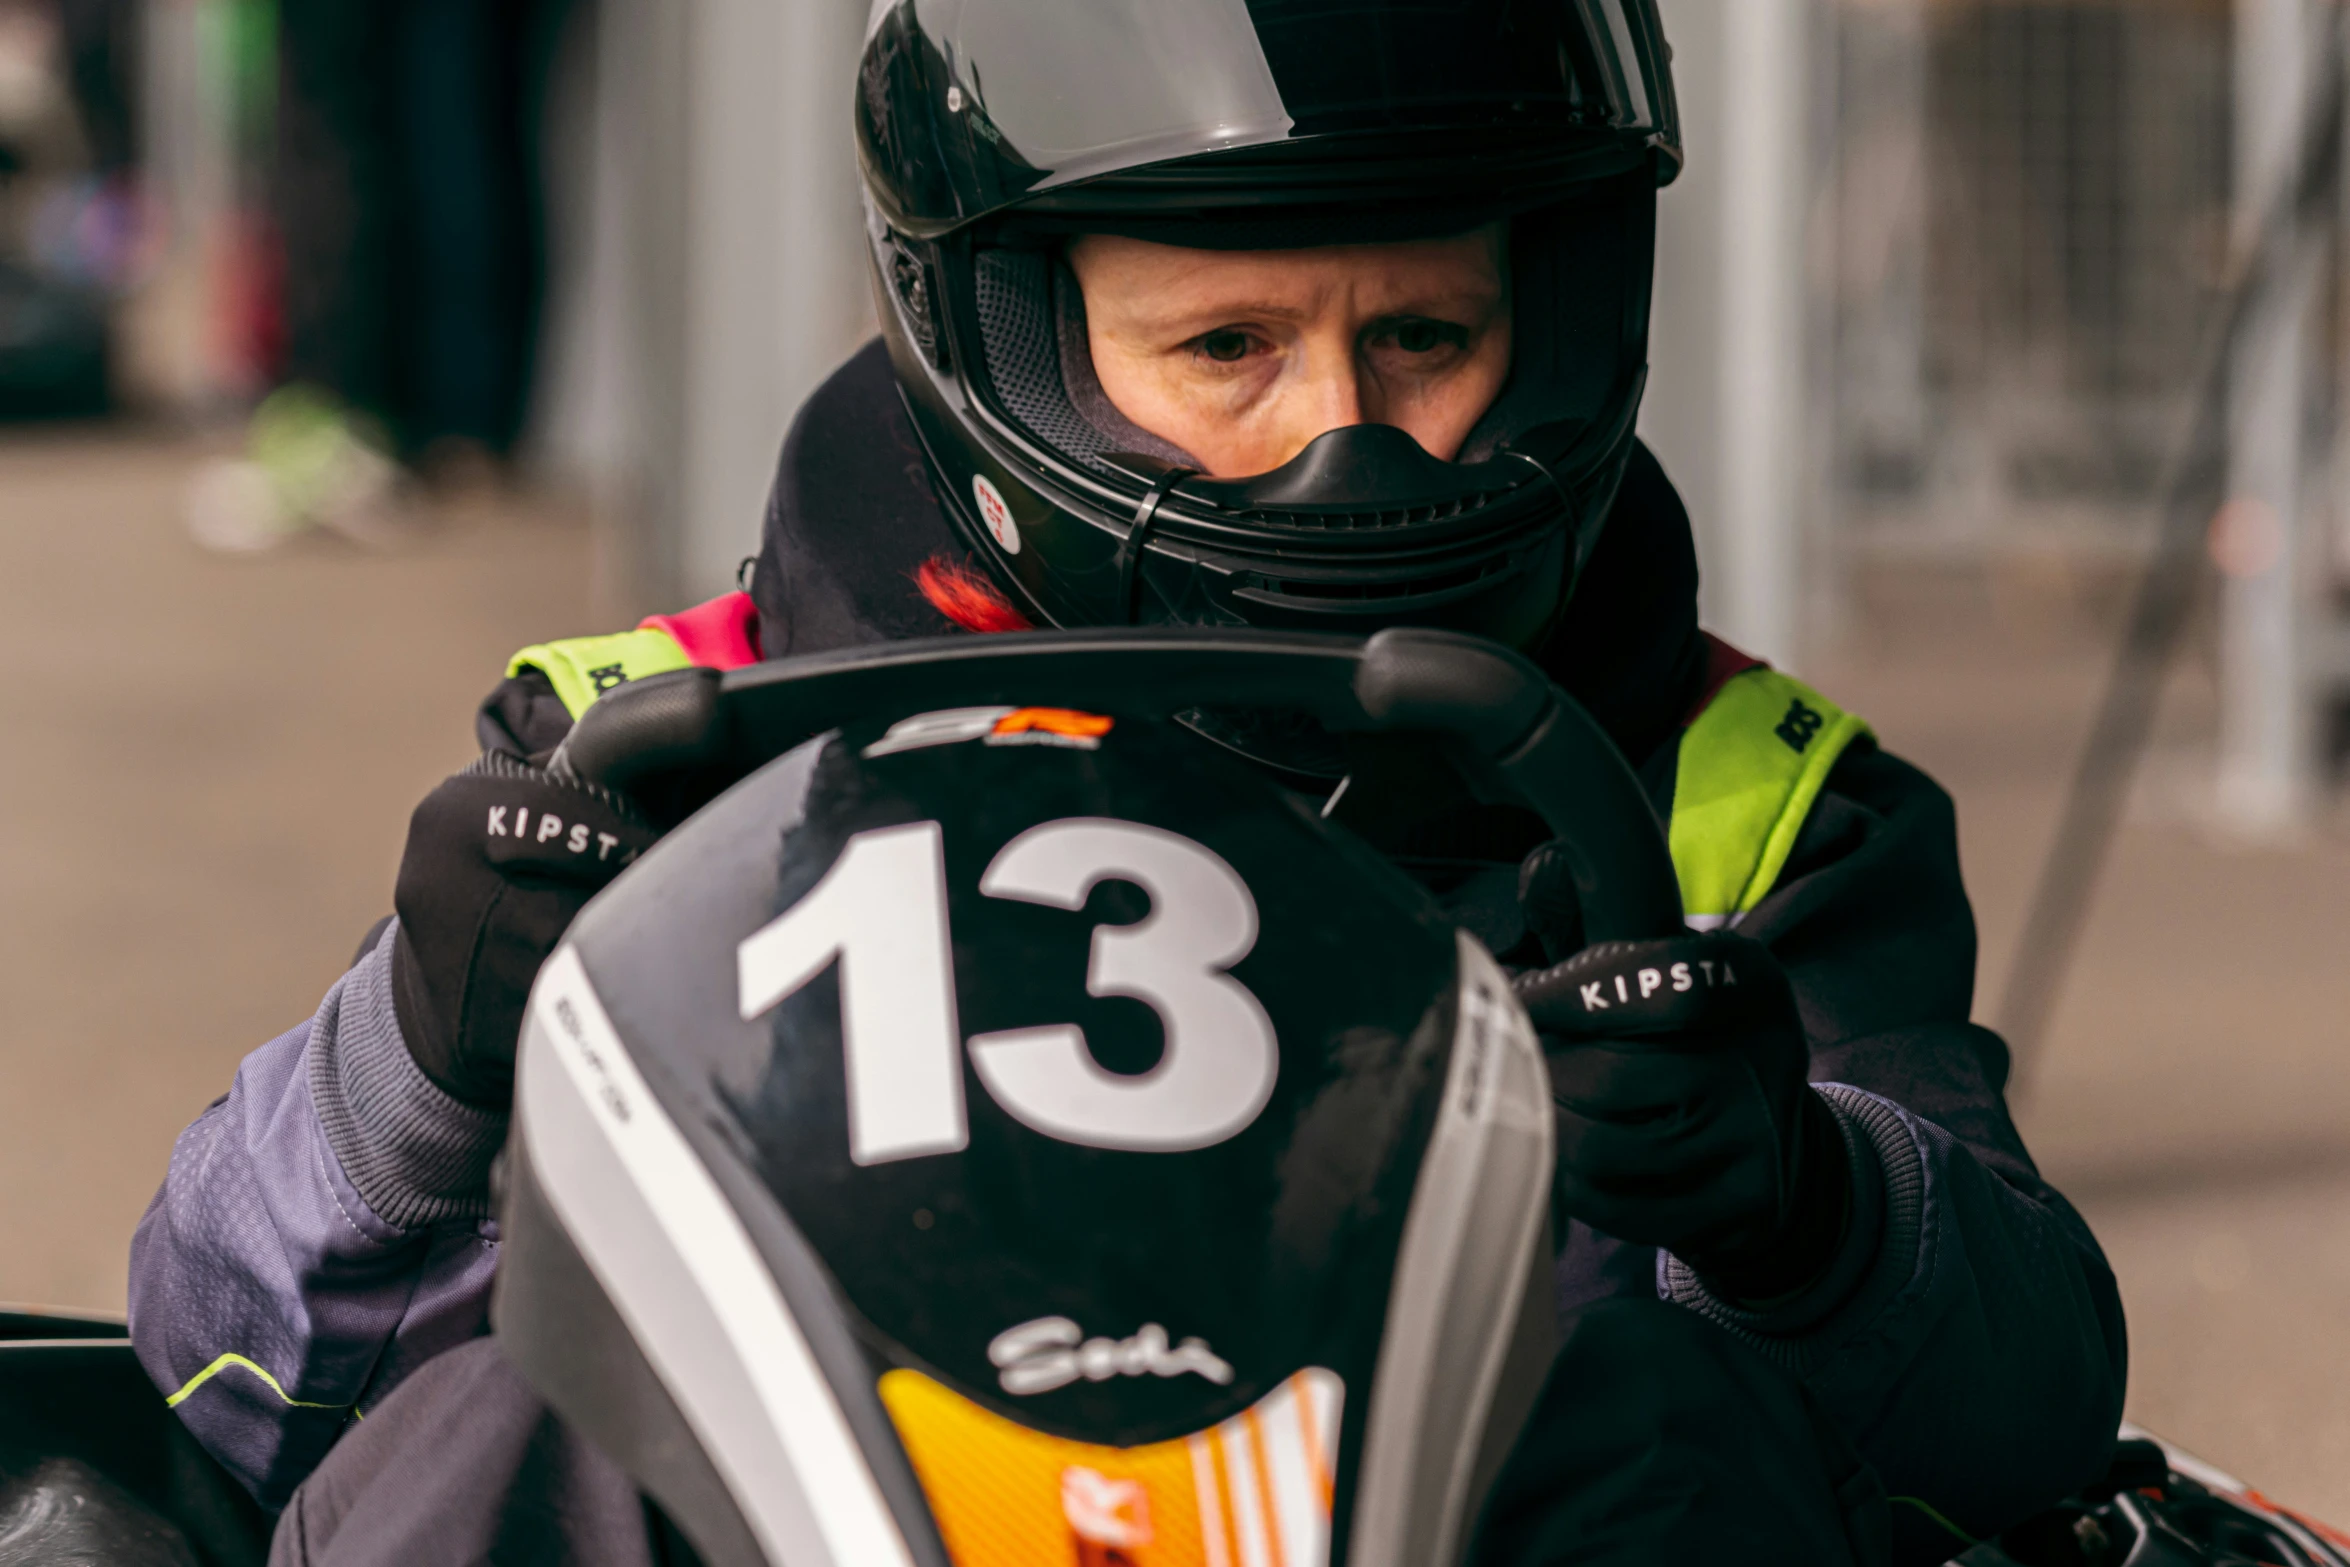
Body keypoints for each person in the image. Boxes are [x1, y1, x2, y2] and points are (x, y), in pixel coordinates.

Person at [128, 1, 2127, 1561]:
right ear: (1011, 339)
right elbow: (229, 1373)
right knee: (487, 1434)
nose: (1346, 441)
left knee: (1663, 1408)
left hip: (1429, 1507)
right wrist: (414, 1059)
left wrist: (1798, 1204)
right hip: (803, 1507)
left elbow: (2015, 1413)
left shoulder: (1740, 797)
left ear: (1558, 318)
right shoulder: (650, 742)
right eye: (1229, 348)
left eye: (1426, 334)